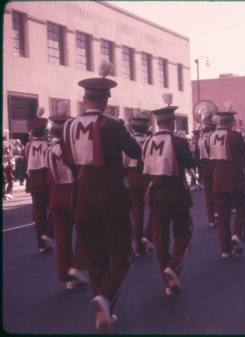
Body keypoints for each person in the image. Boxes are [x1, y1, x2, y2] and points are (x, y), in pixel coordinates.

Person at [63, 63, 142, 333]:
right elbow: (135, 151)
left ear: (85, 99)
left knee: (95, 258)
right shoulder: (112, 125)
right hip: (111, 197)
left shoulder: (69, 127)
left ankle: (104, 315)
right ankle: (104, 298)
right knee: (123, 252)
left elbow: (67, 160)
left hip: (82, 195)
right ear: (106, 100)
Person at [142, 94, 195, 296]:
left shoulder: (147, 142)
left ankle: (167, 284)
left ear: (157, 122)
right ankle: (172, 268)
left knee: (161, 239)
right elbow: (190, 163)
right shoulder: (179, 141)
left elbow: (144, 168)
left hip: (156, 192)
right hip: (176, 192)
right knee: (184, 232)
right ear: (172, 122)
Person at [46, 103, 88, 290]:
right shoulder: (71, 149)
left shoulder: (49, 149)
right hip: (72, 192)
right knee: (85, 231)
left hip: (56, 193)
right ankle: (76, 268)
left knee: (62, 239)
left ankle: (66, 275)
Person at [209, 102, 245, 257]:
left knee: (222, 215)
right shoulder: (235, 136)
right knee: (242, 208)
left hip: (217, 180)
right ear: (231, 122)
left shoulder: (211, 137)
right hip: (234, 179)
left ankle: (225, 250)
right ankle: (236, 234)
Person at [123, 111, 153, 256]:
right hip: (148, 177)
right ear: (146, 127)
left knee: (137, 214)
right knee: (156, 209)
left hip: (132, 177)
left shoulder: (127, 141)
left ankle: (139, 248)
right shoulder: (150, 141)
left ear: (133, 128)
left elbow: (122, 164)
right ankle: (148, 236)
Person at [25, 110, 53, 252]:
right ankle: (48, 235)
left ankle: (42, 245)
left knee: (39, 214)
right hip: (45, 178)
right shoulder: (48, 145)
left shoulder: (28, 146)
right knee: (54, 209)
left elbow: (26, 164)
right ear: (44, 131)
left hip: (33, 180)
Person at [198, 119, 217, 228]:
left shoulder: (201, 138)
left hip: (204, 165)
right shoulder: (212, 137)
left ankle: (211, 219)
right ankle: (217, 212)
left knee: (208, 194)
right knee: (217, 191)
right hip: (212, 164)